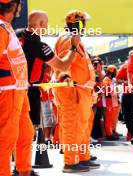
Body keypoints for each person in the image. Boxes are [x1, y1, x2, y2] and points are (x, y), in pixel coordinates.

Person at [16, 10, 80, 138]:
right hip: (29, 93)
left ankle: (9, 156)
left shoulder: (16, 34)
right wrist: (73, 46)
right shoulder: (41, 47)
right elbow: (63, 65)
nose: (47, 27)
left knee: (11, 128)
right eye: (46, 24)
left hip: (11, 89)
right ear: (40, 24)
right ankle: (20, 157)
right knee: (27, 132)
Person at [53, 10, 100, 173]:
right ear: (76, 24)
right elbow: (63, 62)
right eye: (83, 23)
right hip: (72, 91)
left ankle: (81, 157)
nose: (85, 26)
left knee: (82, 126)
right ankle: (70, 163)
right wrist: (65, 77)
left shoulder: (76, 41)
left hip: (81, 91)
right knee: (72, 126)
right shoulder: (68, 40)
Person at [0, 1, 34, 175]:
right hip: (8, 91)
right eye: (19, 4)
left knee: (25, 134)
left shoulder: (6, 27)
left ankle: (24, 170)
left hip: (19, 91)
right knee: (6, 139)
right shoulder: (0, 27)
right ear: (13, 7)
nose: (21, 7)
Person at [116, 50, 133, 145]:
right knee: (126, 116)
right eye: (131, 56)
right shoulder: (124, 67)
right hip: (126, 94)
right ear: (129, 57)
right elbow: (117, 79)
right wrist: (125, 82)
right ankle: (131, 132)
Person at [102, 65, 120, 140]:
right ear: (111, 71)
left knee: (112, 118)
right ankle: (109, 134)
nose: (116, 73)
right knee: (108, 118)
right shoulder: (106, 79)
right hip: (108, 101)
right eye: (115, 71)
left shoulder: (111, 80)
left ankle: (112, 131)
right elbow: (107, 91)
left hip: (113, 101)